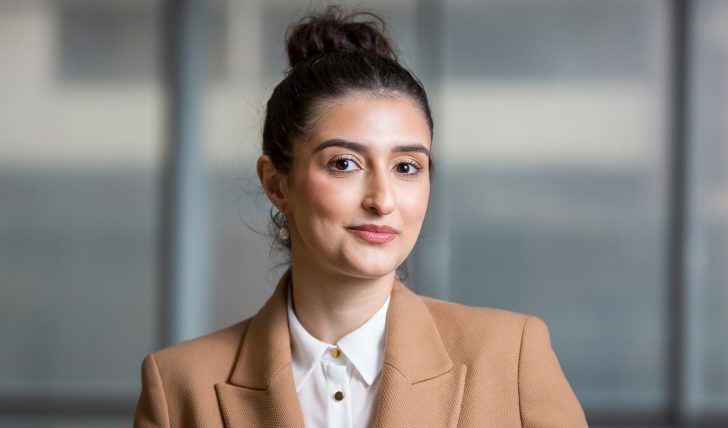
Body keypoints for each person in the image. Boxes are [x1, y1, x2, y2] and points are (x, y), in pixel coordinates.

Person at [134, 7, 587, 428]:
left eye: (406, 167)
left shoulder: (511, 357)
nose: (382, 200)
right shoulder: (179, 387)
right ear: (276, 183)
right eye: (344, 163)